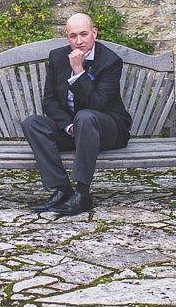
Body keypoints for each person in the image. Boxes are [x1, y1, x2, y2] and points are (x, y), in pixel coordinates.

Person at [21, 13, 131, 215]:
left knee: (86, 116)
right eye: (73, 36)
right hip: (75, 130)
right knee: (32, 123)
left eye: (84, 34)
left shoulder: (110, 61)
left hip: (108, 130)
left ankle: (82, 194)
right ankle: (62, 189)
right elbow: (50, 101)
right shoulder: (57, 57)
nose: (79, 41)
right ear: (67, 37)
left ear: (94, 33)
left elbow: (97, 104)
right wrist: (70, 127)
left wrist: (78, 70)